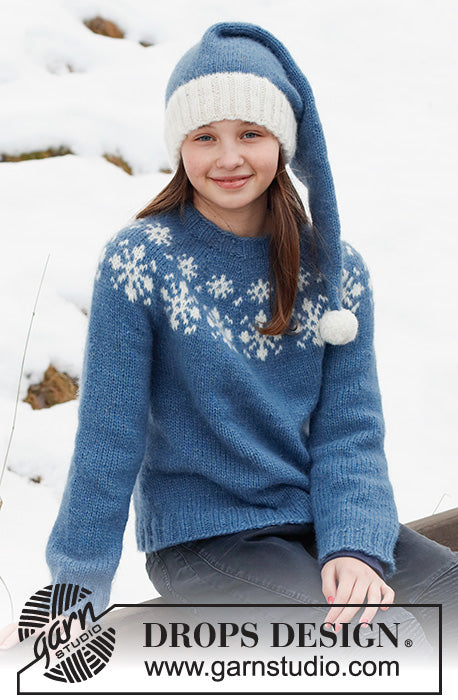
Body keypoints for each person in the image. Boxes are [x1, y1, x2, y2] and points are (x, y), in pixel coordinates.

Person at [4, 22, 456, 654]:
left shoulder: (335, 271)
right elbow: (109, 436)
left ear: (283, 140)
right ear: (179, 146)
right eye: (204, 137)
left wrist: (354, 545)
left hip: (317, 521)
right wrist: (75, 589)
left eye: (250, 133)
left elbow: (349, 430)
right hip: (205, 541)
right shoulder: (142, 261)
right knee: (378, 644)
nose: (228, 158)